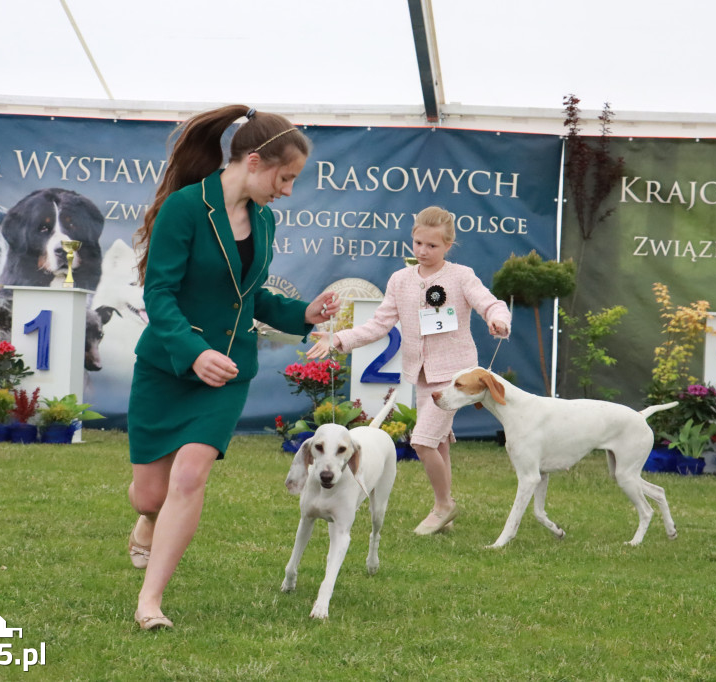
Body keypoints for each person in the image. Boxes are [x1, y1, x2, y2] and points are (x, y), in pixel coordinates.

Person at [127, 105, 337, 630]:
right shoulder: (184, 208)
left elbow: (249, 296)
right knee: (148, 493)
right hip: (168, 367)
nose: (287, 190)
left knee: (191, 475)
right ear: (255, 160)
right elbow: (160, 293)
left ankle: (150, 601)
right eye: (285, 177)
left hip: (226, 374)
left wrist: (302, 314)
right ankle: (146, 518)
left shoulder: (263, 219)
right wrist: (193, 351)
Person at [307, 206, 510, 535]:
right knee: (439, 442)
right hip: (422, 375)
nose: (422, 251)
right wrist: (338, 338)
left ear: (448, 245)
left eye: (431, 246)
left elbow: (489, 302)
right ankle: (445, 510)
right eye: (417, 243)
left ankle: (444, 505)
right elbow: (378, 326)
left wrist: (497, 319)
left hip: (456, 376)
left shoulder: (461, 276)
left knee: (422, 442)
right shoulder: (400, 280)